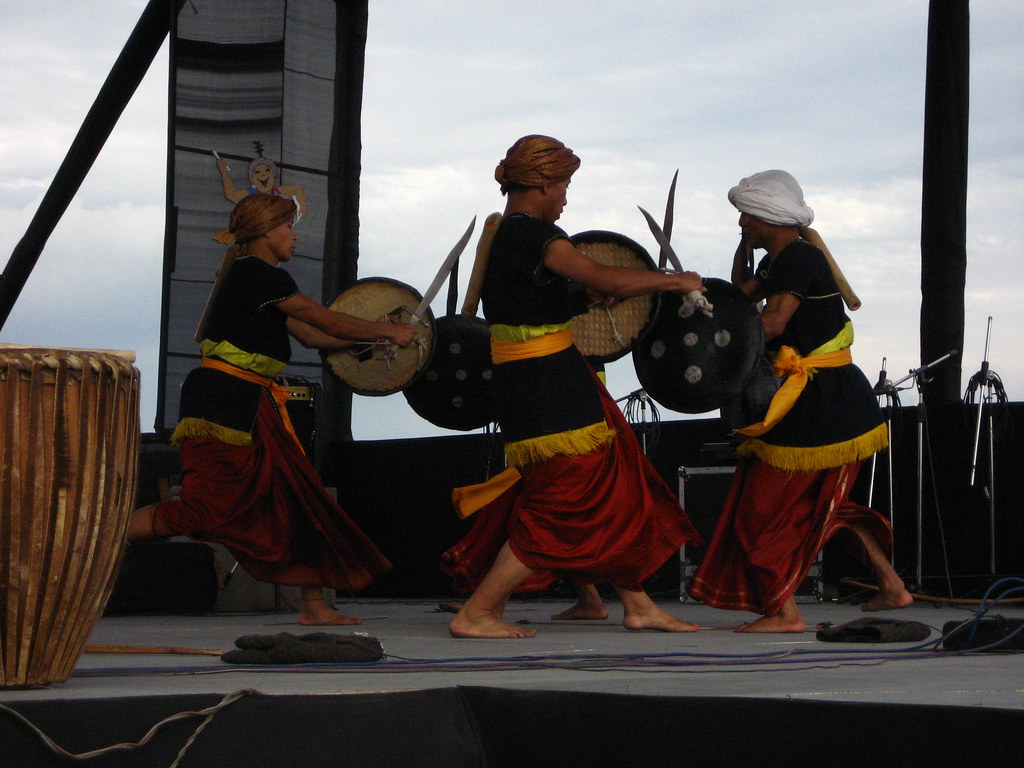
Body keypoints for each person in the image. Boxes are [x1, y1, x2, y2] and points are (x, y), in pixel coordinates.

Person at [441, 135, 705, 638]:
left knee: (614, 488)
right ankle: (478, 611)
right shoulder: (535, 234)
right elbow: (608, 278)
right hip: (548, 390)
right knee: (568, 500)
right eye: (563, 184)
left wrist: (583, 301)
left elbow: (540, 303)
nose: (566, 196)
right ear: (541, 183)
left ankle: (639, 603)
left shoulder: (507, 238)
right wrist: (676, 281)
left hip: (540, 384)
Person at [128, 192, 413, 625]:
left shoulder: (261, 282)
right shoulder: (257, 276)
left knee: (297, 499)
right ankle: (93, 540)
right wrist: (385, 331)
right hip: (221, 407)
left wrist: (377, 336)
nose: (294, 236)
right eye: (287, 228)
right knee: (205, 510)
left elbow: (316, 337)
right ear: (265, 231)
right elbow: (327, 321)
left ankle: (314, 606)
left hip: (251, 404)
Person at [687, 170, 913, 632]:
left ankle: (781, 612)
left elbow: (770, 324)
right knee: (824, 508)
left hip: (822, 404)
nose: (741, 223)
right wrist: (689, 296)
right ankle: (891, 586)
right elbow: (735, 299)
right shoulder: (778, 261)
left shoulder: (796, 259)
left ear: (770, 215)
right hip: (831, 403)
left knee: (759, 509)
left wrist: (714, 341)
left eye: (746, 215)